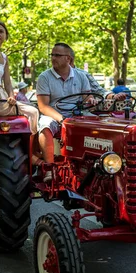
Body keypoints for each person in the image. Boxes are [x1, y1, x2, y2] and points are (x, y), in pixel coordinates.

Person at [36, 42, 92, 182]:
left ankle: (91, 165)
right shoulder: (44, 77)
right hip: (53, 114)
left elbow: (87, 98)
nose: (53, 58)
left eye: (57, 55)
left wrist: (91, 101)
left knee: (97, 124)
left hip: (77, 113)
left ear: (68, 59)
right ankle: (49, 168)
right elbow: (43, 106)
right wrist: (62, 119)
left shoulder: (81, 76)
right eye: (52, 55)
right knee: (45, 126)